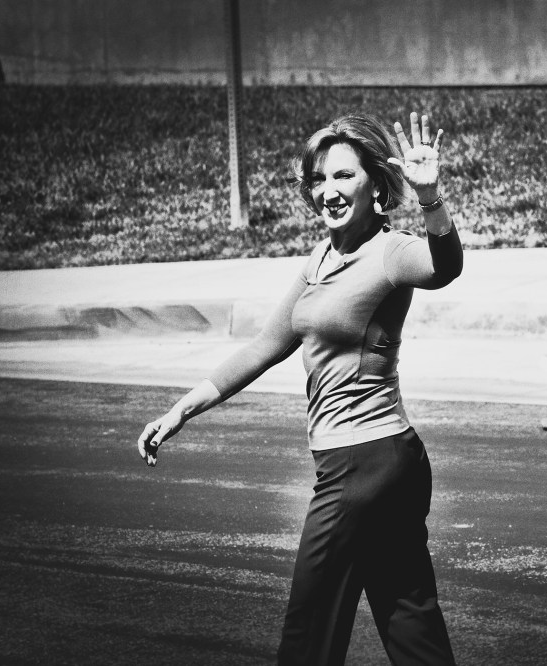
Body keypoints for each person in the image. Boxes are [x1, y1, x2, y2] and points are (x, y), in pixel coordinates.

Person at [137, 111, 460, 666]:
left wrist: (431, 200)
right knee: (410, 623)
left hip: (361, 467)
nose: (328, 191)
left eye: (343, 176)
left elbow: (444, 267)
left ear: (376, 183)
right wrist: (181, 410)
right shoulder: (321, 256)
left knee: (309, 634)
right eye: (319, 179)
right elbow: (266, 345)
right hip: (391, 461)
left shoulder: (390, 251)